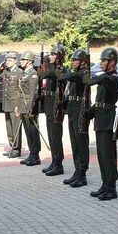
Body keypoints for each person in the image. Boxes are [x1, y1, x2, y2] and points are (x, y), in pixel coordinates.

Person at [87, 47, 118, 201]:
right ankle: (105, 184)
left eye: (104, 60)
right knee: (101, 154)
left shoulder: (114, 77)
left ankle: (111, 187)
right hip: (100, 117)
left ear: (112, 62)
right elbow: (100, 100)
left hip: (108, 119)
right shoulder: (106, 76)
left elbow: (106, 80)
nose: (101, 63)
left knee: (108, 154)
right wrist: (91, 111)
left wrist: (91, 79)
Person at [61, 49, 91, 187]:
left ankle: (82, 174)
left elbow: (75, 77)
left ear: (83, 62)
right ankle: (77, 170)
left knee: (81, 142)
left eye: (75, 60)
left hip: (81, 109)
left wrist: (61, 75)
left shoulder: (84, 74)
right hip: (73, 109)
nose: (72, 62)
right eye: (72, 60)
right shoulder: (75, 74)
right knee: (74, 142)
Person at [40, 45, 67, 176]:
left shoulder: (60, 69)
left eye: (53, 54)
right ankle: (54, 161)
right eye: (49, 54)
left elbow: (47, 74)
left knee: (56, 137)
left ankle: (59, 164)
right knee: (51, 136)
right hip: (49, 106)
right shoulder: (52, 68)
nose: (49, 57)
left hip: (57, 107)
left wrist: (45, 64)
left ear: (59, 56)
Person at [18, 51, 42, 166]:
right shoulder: (24, 73)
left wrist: (31, 107)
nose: (21, 62)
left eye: (23, 60)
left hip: (29, 106)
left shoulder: (32, 74)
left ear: (29, 61)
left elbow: (33, 93)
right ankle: (31, 154)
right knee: (27, 131)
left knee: (33, 131)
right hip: (23, 105)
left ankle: (35, 155)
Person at [0, 52, 25, 158]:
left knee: (15, 127)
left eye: (9, 60)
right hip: (7, 103)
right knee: (9, 127)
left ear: (15, 61)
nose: (7, 62)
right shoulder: (5, 71)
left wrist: (19, 105)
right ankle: (12, 146)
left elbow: (21, 90)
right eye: (6, 60)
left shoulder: (19, 72)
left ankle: (17, 149)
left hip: (15, 104)